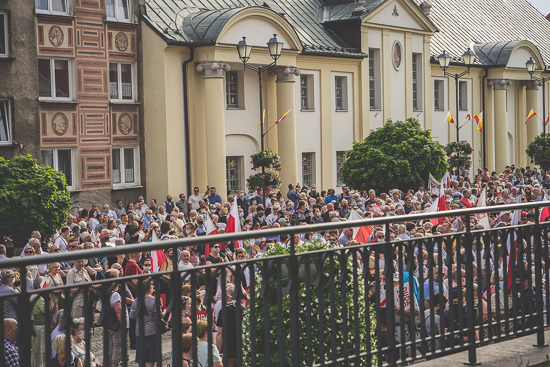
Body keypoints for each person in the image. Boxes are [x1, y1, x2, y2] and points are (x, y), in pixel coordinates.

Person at [130, 281, 157, 367]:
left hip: (139, 331)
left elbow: (132, 316)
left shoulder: (136, 300)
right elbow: (157, 316)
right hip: (152, 331)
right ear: (150, 289)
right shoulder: (154, 300)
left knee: (141, 356)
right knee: (150, 357)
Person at [216, 284, 238, 367]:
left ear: (227, 296)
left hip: (228, 348)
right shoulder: (242, 309)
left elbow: (220, 333)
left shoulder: (224, 311)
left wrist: (218, 351)